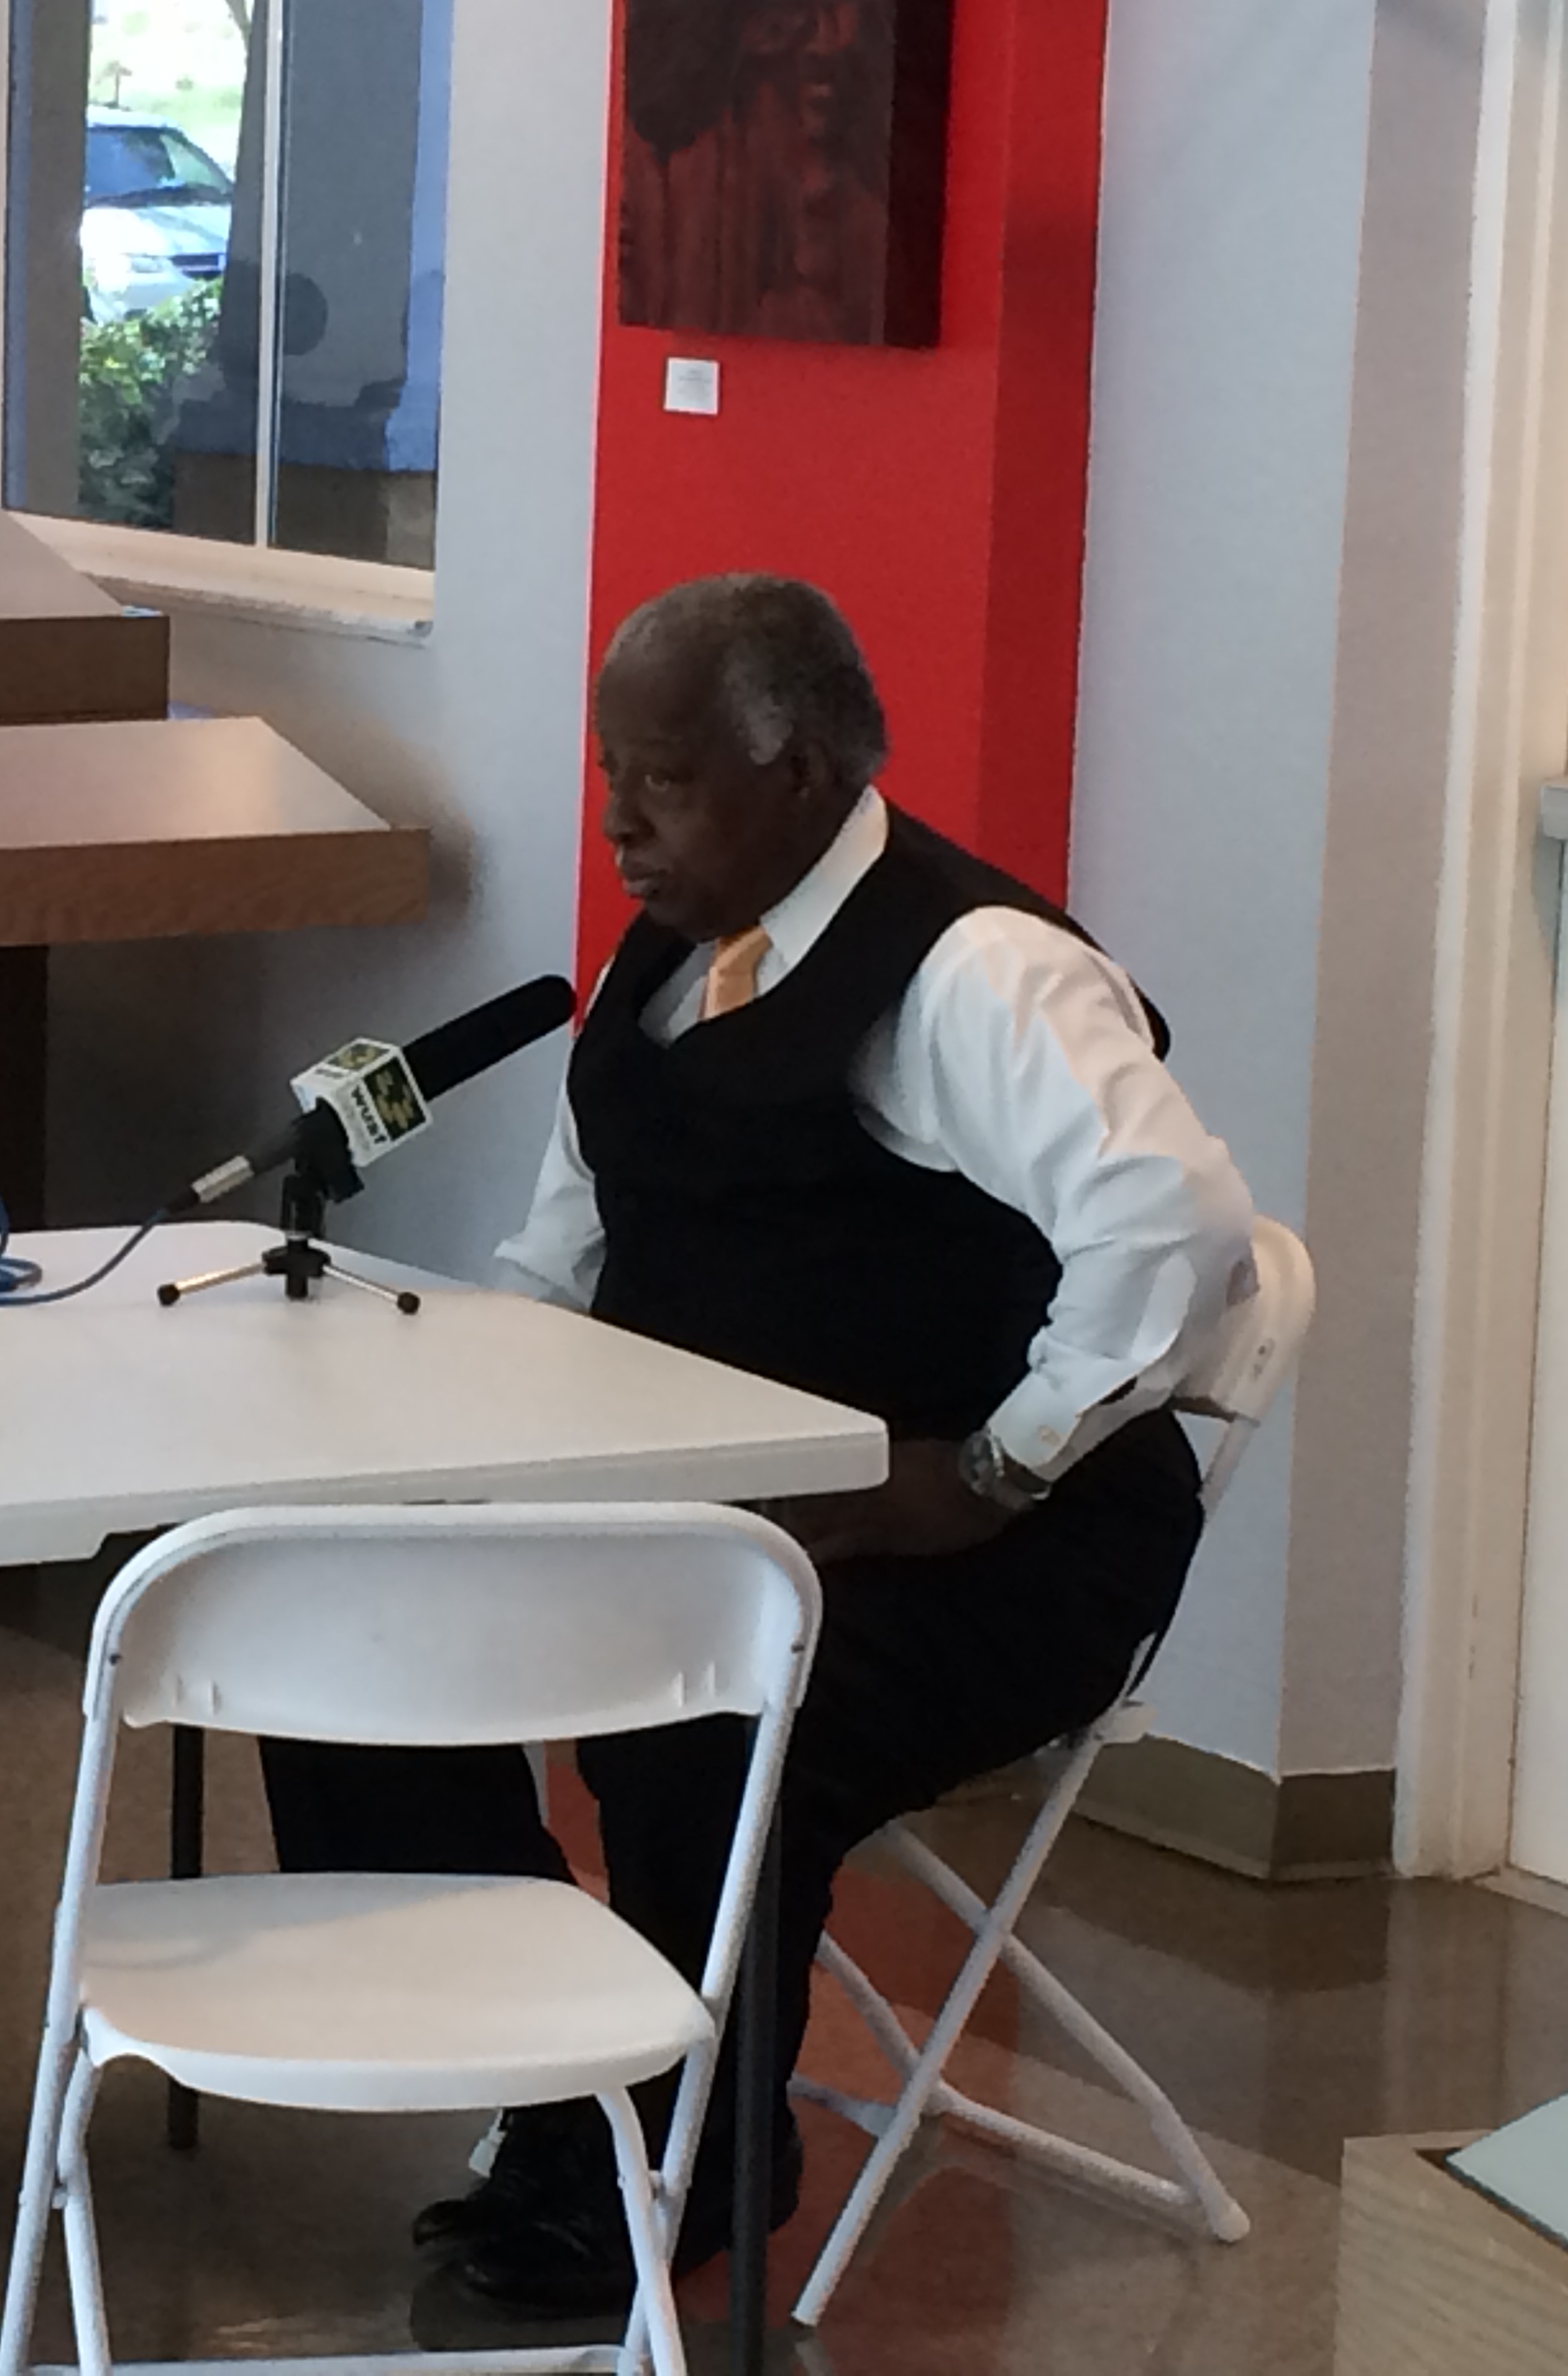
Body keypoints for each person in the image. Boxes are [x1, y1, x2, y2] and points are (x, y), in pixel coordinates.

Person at [257, 574, 1257, 2316]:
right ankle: (569, 2084)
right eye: (606, 772)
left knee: (705, 1718)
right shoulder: (662, 961)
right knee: (345, 1618)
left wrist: (989, 1469)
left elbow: (1173, 1237)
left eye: (659, 778)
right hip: (723, 1503)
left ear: (793, 774)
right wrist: (450, 1460)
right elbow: (561, 1260)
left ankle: (698, 2148)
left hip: (999, 1540)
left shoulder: (975, 972)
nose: (614, 817)